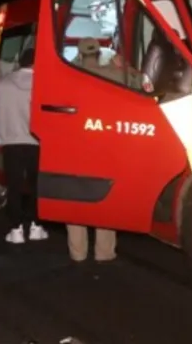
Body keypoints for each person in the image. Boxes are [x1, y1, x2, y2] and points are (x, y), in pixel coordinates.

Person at [66, 38, 125, 263]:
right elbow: (141, 83)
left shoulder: (69, 75)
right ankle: (104, 252)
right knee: (104, 199)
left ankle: (78, 252)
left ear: (80, 55)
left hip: (76, 148)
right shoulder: (112, 74)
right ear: (99, 54)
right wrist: (121, 66)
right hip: (105, 147)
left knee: (76, 200)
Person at [0, 47, 49, 244]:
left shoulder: (3, 84)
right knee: (36, 186)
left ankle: (15, 230)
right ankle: (35, 226)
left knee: (14, 186)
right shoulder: (43, 85)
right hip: (37, 142)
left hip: (11, 142)